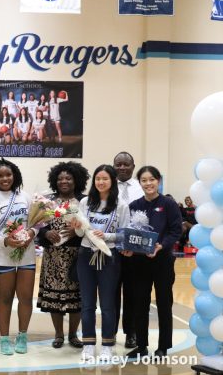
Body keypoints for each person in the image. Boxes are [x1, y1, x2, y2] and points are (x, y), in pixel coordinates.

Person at [70, 165, 130, 362]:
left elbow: (124, 234)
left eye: (105, 178)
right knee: (87, 304)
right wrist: (77, 227)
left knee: (107, 305)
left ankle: (107, 345)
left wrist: (107, 235)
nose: (101, 182)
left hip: (109, 256)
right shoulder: (86, 202)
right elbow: (80, 234)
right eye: (98, 179)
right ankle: (88, 344)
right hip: (86, 255)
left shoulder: (121, 205)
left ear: (112, 180)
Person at [123, 166, 182, 359]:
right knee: (140, 304)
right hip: (139, 263)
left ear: (158, 181)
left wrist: (160, 246)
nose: (148, 184)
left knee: (164, 303)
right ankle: (141, 346)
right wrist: (128, 247)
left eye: (152, 180)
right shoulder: (134, 205)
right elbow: (129, 232)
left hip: (162, 261)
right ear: (139, 183)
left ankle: (163, 346)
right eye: (144, 180)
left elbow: (175, 231)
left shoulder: (169, 204)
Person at [0, 159, 36, 356]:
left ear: (15, 176)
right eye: (0, 175)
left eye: (8, 175)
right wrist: (5, 241)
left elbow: (36, 223)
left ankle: (22, 336)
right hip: (2, 256)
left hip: (27, 256)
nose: (5, 178)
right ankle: (4, 338)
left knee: (26, 298)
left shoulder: (25, 197)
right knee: (5, 297)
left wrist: (32, 234)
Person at [37, 161, 89, 350]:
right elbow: (36, 225)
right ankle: (59, 334)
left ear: (77, 180)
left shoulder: (84, 201)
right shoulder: (47, 201)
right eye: (60, 178)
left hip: (78, 256)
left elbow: (91, 226)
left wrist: (79, 231)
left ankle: (73, 334)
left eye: (68, 178)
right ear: (54, 181)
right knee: (55, 299)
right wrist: (45, 234)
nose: (64, 181)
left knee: (76, 299)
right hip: (53, 256)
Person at [113, 151, 144, 349]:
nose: (122, 168)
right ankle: (111, 332)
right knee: (111, 293)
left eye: (126, 164)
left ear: (133, 166)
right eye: (119, 164)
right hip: (112, 248)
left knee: (132, 293)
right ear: (113, 166)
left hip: (134, 251)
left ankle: (131, 333)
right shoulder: (105, 186)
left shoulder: (141, 188)